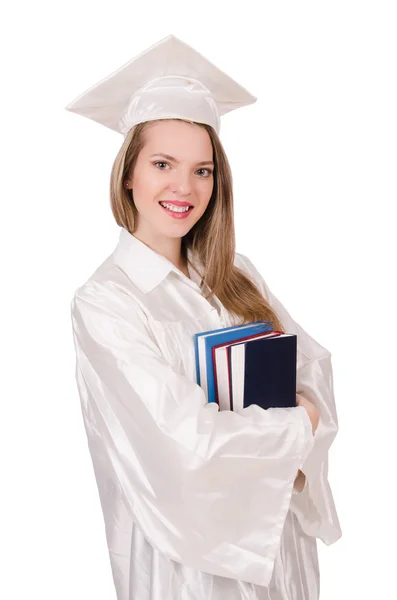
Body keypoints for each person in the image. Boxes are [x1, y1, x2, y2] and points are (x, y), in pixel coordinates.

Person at [66, 34, 342, 600]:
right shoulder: (107, 302)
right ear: (128, 175)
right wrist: (298, 428)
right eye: (162, 163)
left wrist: (292, 432)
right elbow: (184, 445)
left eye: (203, 170)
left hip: (277, 546)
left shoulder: (237, 274)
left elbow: (311, 368)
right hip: (187, 569)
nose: (184, 188)